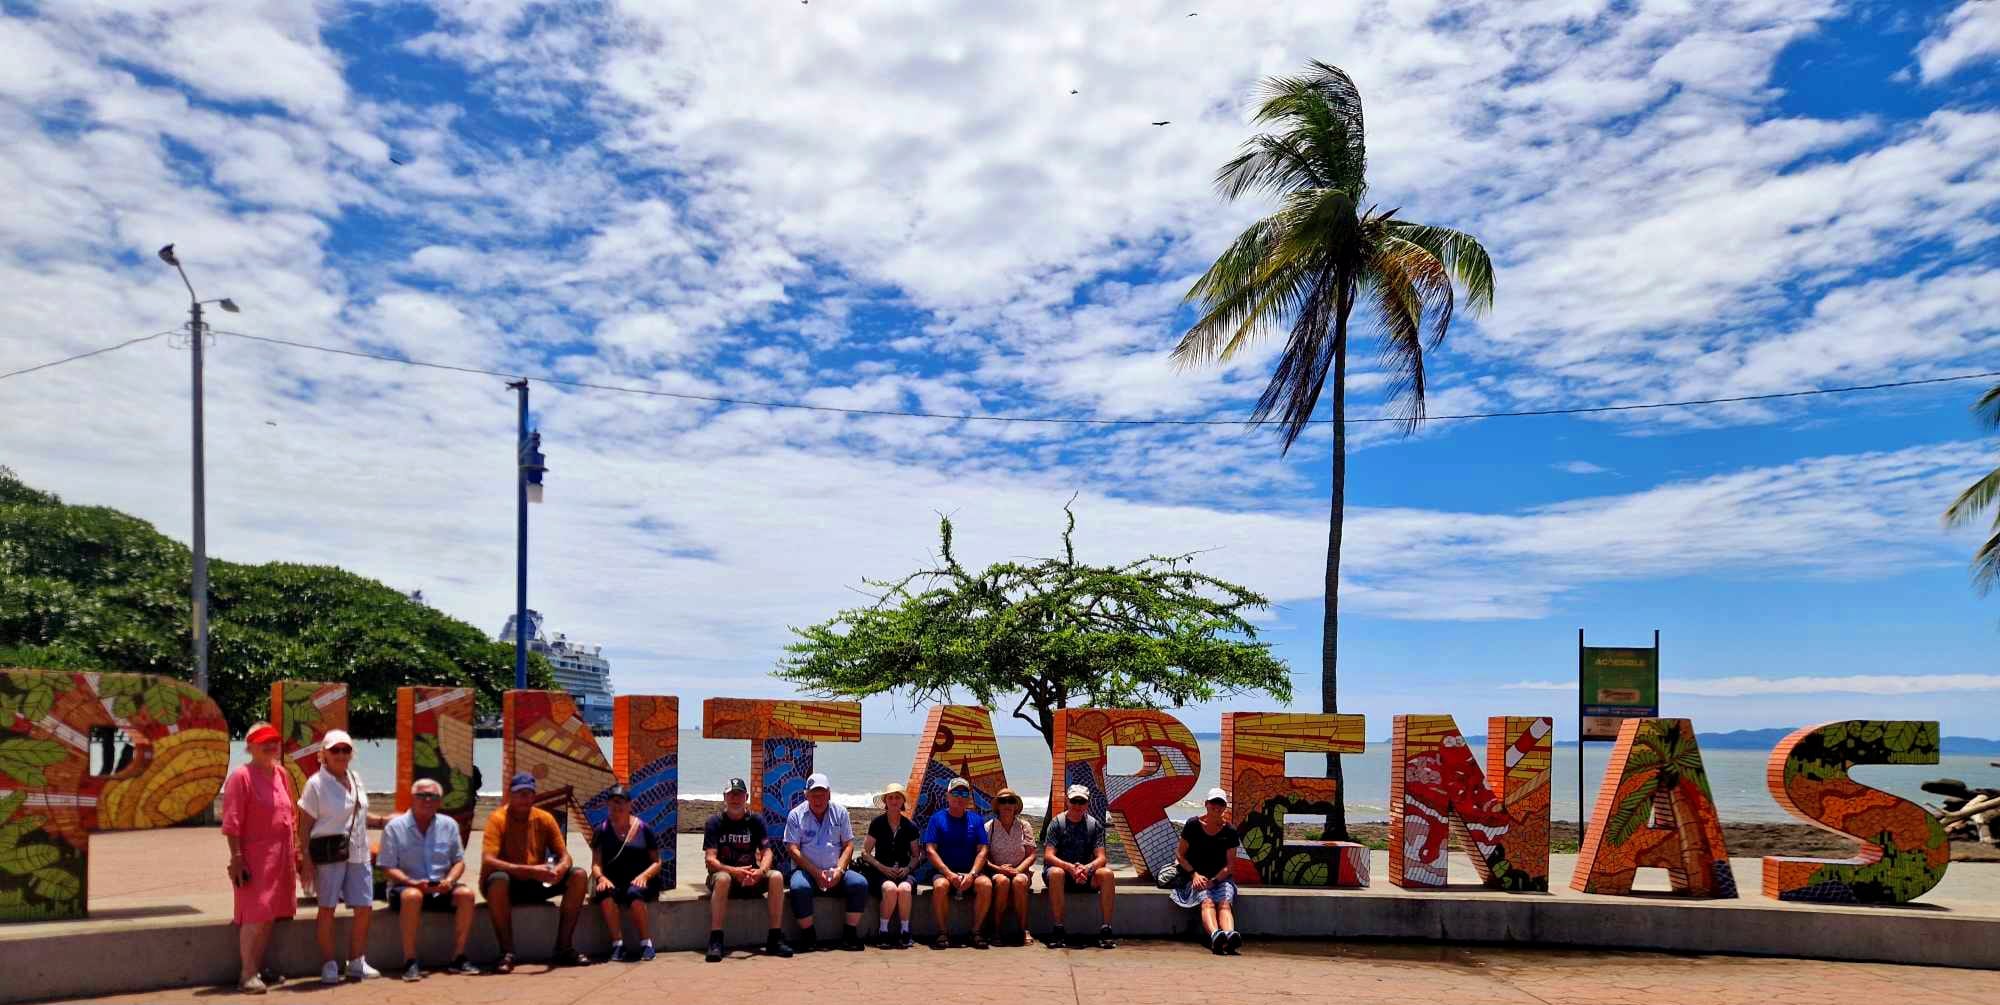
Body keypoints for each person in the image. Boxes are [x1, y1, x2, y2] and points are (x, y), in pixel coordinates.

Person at [297, 729, 390, 984]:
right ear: (323, 754)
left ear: (351, 754)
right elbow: (304, 825)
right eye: (335, 750)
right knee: (327, 908)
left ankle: (357, 960)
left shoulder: (355, 777)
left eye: (345, 750)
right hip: (329, 854)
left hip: (358, 852)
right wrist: (305, 859)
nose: (340, 754)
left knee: (364, 906)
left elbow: (357, 815)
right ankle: (328, 963)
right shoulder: (315, 784)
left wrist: (382, 820)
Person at [220, 722, 300, 994]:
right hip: (253, 858)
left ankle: (258, 966)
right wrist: (237, 858)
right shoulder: (240, 777)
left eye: (274, 741)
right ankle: (247, 974)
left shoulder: (282, 774)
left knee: (270, 915)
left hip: (281, 857)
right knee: (255, 915)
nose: (270, 746)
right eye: (263, 741)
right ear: (249, 746)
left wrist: (296, 852)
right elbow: (231, 822)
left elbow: (291, 816)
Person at [481, 772, 591, 971]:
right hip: (509, 884)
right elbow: (489, 859)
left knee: (579, 875)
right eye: (519, 793)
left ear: (534, 796)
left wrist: (559, 869)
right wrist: (530, 870)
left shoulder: (544, 818)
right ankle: (506, 952)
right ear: (510, 795)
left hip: (536, 881)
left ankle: (564, 947)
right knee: (498, 880)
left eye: (528, 793)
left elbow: (565, 855)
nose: (524, 798)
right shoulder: (497, 819)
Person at [377, 778, 480, 980]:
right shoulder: (395, 827)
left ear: (439, 801)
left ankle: (458, 957)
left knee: (466, 895)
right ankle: (410, 960)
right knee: (413, 896)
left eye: (432, 796)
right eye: (422, 795)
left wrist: (449, 881)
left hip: (440, 887)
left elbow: (459, 861)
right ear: (412, 798)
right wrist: (411, 882)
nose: (427, 800)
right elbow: (387, 867)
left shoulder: (449, 825)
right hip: (405, 888)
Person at [702, 777, 794, 962]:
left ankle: (774, 937)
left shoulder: (755, 821)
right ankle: (716, 940)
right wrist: (734, 871)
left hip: (751, 877)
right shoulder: (714, 822)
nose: (735, 799)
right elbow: (710, 860)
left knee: (776, 876)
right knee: (723, 879)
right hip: (725, 876)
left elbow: (767, 852)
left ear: (746, 797)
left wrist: (760, 871)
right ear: (724, 797)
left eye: (739, 794)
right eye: (731, 795)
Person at [781, 772, 868, 952]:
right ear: (806, 794)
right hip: (806, 871)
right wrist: (815, 872)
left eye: (821, 794)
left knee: (859, 883)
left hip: (836, 869)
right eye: (814, 794)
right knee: (799, 888)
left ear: (829, 794)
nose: (818, 799)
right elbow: (792, 849)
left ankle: (850, 934)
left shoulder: (841, 812)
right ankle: (808, 935)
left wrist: (840, 870)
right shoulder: (795, 815)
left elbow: (849, 845)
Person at [589, 784, 662, 963]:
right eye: (613, 803)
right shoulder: (601, 830)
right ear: (608, 805)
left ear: (630, 805)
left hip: (639, 880)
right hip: (613, 880)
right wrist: (601, 877)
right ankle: (618, 944)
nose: (617, 807)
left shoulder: (644, 829)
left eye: (621, 802)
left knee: (634, 894)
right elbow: (596, 864)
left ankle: (646, 943)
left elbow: (657, 862)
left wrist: (645, 876)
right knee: (605, 894)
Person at [1042, 783, 1117, 949]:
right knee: (1055, 873)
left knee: (1107, 874)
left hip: (1085, 875)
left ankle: (1106, 929)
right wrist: (1070, 868)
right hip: (1062, 875)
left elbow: (1101, 857)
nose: (1077, 805)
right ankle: (1058, 928)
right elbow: (1048, 855)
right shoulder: (1056, 823)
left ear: (1087, 804)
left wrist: (1086, 868)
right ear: (1067, 802)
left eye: (1081, 802)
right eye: (1074, 801)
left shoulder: (1094, 825)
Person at [922, 777, 992, 949]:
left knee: (986, 885)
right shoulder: (937, 819)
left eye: (963, 793)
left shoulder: (976, 820)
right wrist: (948, 873)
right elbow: (930, 849)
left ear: (968, 797)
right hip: (944, 872)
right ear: (947, 796)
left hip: (970, 872)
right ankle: (943, 933)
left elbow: (983, 850)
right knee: (940, 886)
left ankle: (975, 931)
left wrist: (973, 874)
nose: (959, 797)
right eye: (955, 793)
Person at [1174, 788, 1243, 954]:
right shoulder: (1193, 825)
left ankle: (1229, 935)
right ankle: (1215, 936)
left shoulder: (1230, 831)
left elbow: (1230, 865)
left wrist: (1215, 880)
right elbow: (1179, 854)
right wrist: (1194, 874)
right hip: (1197, 877)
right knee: (1207, 902)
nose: (1217, 808)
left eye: (1221, 804)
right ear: (1206, 804)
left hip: (1221, 878)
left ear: (1224, 807)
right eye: (1214, 803)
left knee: (1225, 903)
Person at [856, 782, 921, 947]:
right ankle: (883, 931)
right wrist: (882, 868)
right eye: (890, 797)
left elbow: (916, 856)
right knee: (891, 889)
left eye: (897, 797)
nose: (894, 801)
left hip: (905, 873)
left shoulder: (910, 826)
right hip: (881, 873)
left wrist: (907, 869)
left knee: (904, 889)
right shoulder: (877, 823)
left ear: (902, 801)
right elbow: (865, 852)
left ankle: (905, 931)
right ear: (885, 801)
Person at [984, 788, 1035, 945]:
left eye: (1011, 801)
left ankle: (1023, 929)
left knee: (1019, 881)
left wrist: (1017, 870)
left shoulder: (1024, 826)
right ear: (997, 805)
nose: (1007, 804)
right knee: (1002, 882)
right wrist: (1000, 869)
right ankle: (996, 930)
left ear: (1016, 805)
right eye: (1003, 801)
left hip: (1020, 870)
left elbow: (1032, 854)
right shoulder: (989, 827)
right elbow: (983, 857)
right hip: (996, 871)